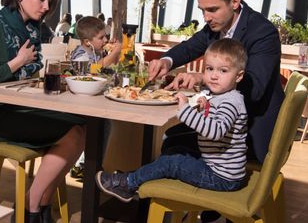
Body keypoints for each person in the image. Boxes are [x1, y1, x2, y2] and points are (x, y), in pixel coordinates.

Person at [0, 0, 85, 223]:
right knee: (71, 134)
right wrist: (16, 62)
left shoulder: (33, 30)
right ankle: (32, 206)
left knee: (81, 126)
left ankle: (37, 200)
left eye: (50, 3)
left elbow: (30, 74)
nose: (46, 7)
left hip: (18, 107)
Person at [148, 0, 283, 165]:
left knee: (172, 140)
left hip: (249, 134)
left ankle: (158, 189)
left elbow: (254, 90)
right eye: (202, 10)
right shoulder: (218, 25)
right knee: (172, 135)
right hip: (221, 121)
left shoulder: (263, 33)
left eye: (212, 9)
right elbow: (190, 46)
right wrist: (166, 61)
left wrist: (203, 78)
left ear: (235, 2)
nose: (206, 17)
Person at [96, 38, 248, 202]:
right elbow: (216, 122)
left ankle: (127, 184)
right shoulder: (222, 97)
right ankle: (137, 178)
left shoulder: (231, 102)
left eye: (223, 71)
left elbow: (215, 132)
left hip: (221, 178)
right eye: (210, 69)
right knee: (173, 151)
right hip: (216, 168)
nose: (214, 76)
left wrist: (185, 110)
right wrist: (205, 109)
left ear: (238, 76)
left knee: (171, 163)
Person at [69, 16, 122, 178]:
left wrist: (111, 52)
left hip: (94, 101)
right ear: (86, 42)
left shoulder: (94, 51)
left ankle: (91, 164)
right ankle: (87, 165)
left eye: (105, 36)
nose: (105, 39)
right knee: (102, 125)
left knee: (107, 124)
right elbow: (93, 71)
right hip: (80, 104)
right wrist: (115, 52)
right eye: (101, 37)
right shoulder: (80, 55)